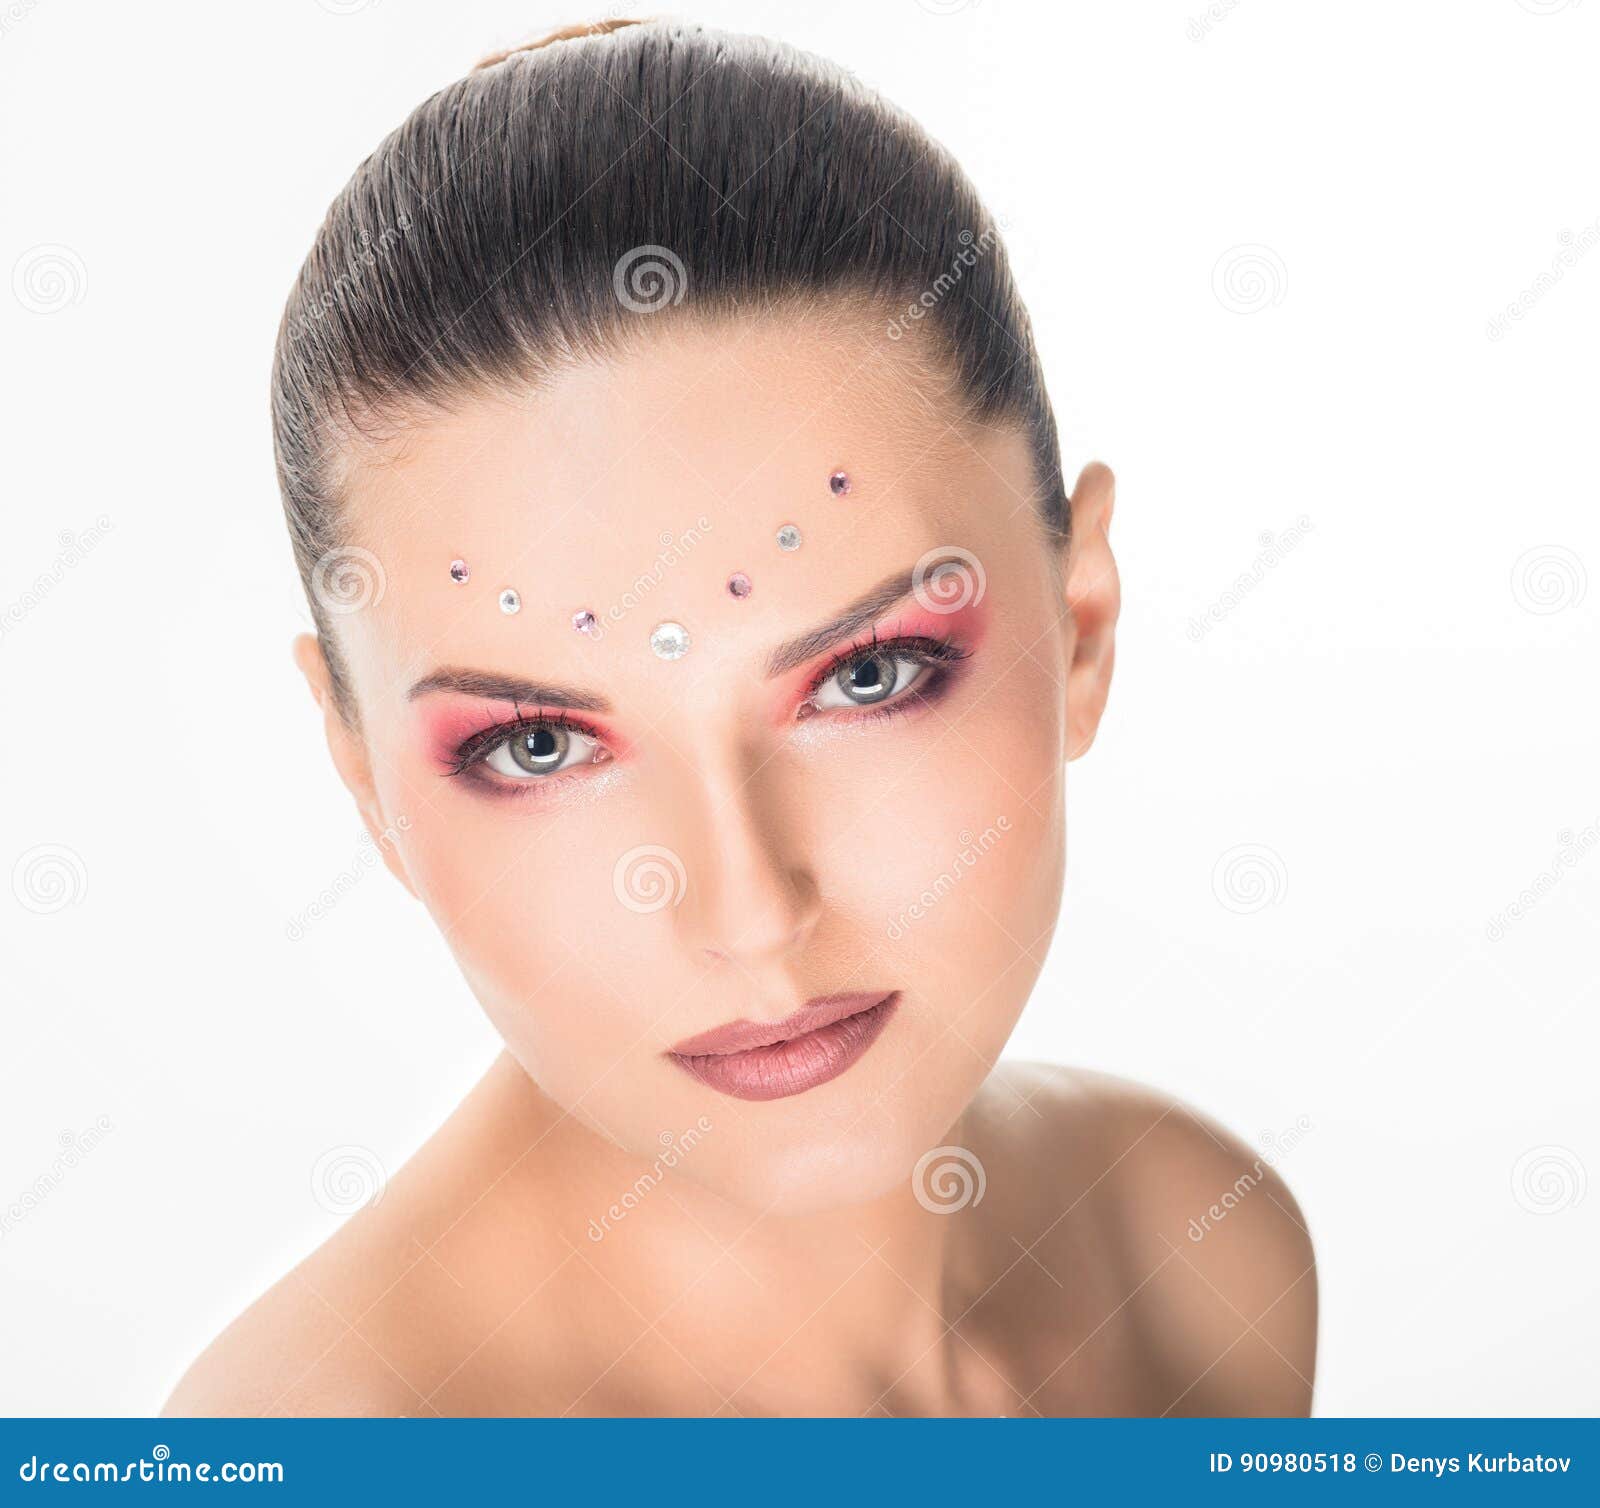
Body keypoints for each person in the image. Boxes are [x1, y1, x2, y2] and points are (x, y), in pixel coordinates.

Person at [164, 18, 1315, 1418]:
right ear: (365, 788)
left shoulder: (1196, 1254)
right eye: (539, 747)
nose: (750, 913)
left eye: (867, 675)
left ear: (1082, 625)